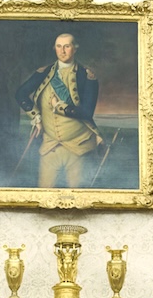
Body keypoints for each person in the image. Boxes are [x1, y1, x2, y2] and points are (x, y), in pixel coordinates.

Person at [14, 32, 103, 188]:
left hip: (79, 146)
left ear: (75, 49)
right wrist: (36, 117)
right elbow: (20, 94)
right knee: (44, 193)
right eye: (59, 47)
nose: (62, 51)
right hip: (49, 146)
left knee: (77, 197)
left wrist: (59, 106)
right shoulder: (44, 72)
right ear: (54, 48)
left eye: (67, 46)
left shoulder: (87, 76)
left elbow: (87, 112)